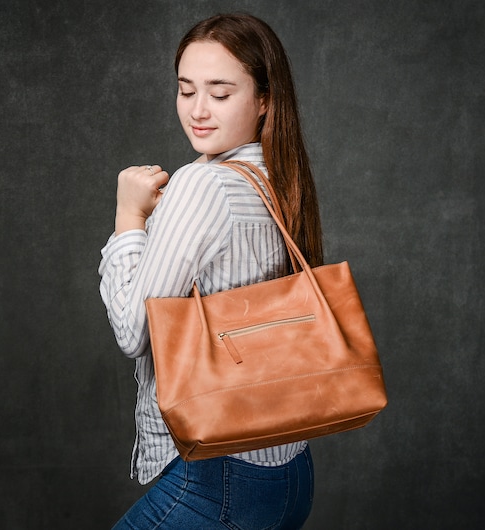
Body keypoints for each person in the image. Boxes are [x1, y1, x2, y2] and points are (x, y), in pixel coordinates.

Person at [99, 13, 323, 529]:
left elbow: (134, 331)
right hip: (288, 473)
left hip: (221, 480)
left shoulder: (203, 186)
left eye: (220, 94)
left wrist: (128, 217)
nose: (198, 111)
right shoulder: (278, 177)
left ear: (265, 99)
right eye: (185, 90)